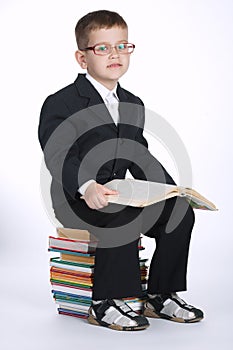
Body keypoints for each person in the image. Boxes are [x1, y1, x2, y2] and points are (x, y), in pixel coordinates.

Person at [38, 10, 204, 331]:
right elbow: (57, 153)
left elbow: (139, 156)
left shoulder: (133, 103)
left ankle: (160, 295)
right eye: (102, 48)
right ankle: (104, 304)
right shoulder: (62, 102)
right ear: (82, 58)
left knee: (179, 211)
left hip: (118, 193)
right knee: (122, 215)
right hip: (76, 198)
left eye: (122, 46)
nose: (115, 54)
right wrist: (86, 186)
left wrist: (172, 191)